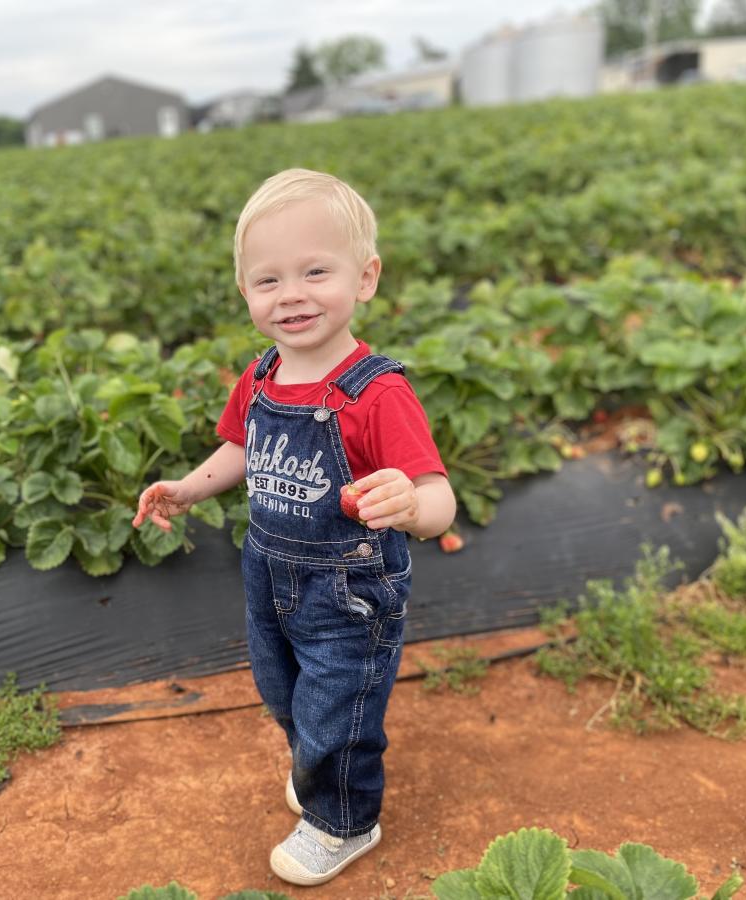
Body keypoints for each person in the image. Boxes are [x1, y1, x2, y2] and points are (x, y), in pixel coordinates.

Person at [132, 168, 456, 886]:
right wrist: (188, 489)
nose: (292, 295)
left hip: (350, 589)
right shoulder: (262, 376)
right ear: (245, 292)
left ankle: (344, 819)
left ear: (365, 278)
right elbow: (241, 449)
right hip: (269, 577)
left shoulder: (378, 393)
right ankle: (318, 765)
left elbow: (440, 498)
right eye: (268, 280)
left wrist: (411, 505)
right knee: (283, 689)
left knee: (337, 704)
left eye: (315, 271)